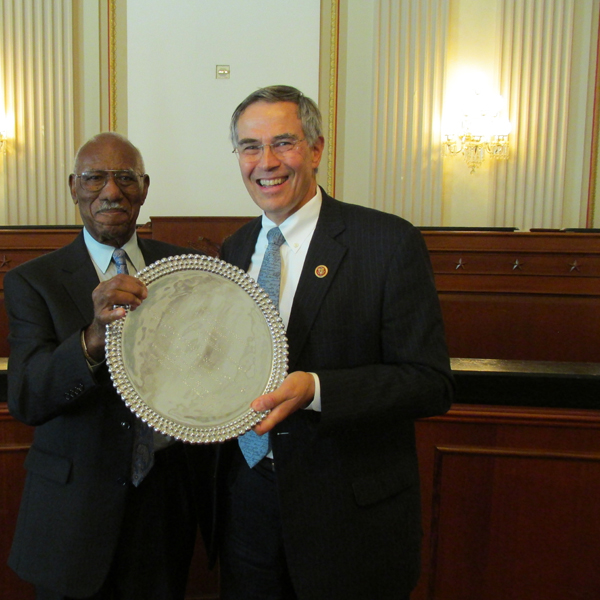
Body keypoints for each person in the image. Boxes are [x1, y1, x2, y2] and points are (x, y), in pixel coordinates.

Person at [214, 85, 454, 600]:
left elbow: (429, 383)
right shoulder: (232, 252)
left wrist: (317, 389)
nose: (267, 162)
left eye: (284, 142)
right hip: (247, 504)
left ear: (317, 148)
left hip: (348, 518)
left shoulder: (387, 243)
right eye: (250, 147)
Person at [3, 132, 197, 600]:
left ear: (144, 188)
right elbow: (28, 397)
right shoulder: (34, 281)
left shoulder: (184, 269)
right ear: (74, 186)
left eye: (125, 178)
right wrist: (92, 337)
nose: (111, 191)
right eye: (95, 178)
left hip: (163, 510)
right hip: (73, 516)